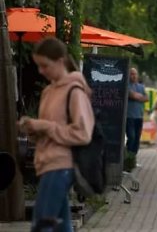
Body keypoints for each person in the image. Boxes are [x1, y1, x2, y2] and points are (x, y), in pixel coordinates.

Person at [18, 37, 94, 232]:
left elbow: (83, 134)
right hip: (47, 164)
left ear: (60, 61)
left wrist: (44, 126)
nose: (41, 71)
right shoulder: (48, 91)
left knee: (42, 225)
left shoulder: (75, 91)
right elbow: (49, 129)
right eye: (38, 66)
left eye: (45, 65)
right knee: (60, 226)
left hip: (62, 165)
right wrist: (33, 130)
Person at [126, 68, 148, 161]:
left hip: (139, 116)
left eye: (135, 74)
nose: (134, 76)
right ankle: (127, 156)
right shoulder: (126, 85)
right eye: (131, 74)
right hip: (129, 116)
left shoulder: (141, 86)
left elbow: (146, 98)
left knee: (137, 139)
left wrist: (137, 96)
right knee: (131, 137)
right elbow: (131, 95)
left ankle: (133, 158)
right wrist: (138, 96)